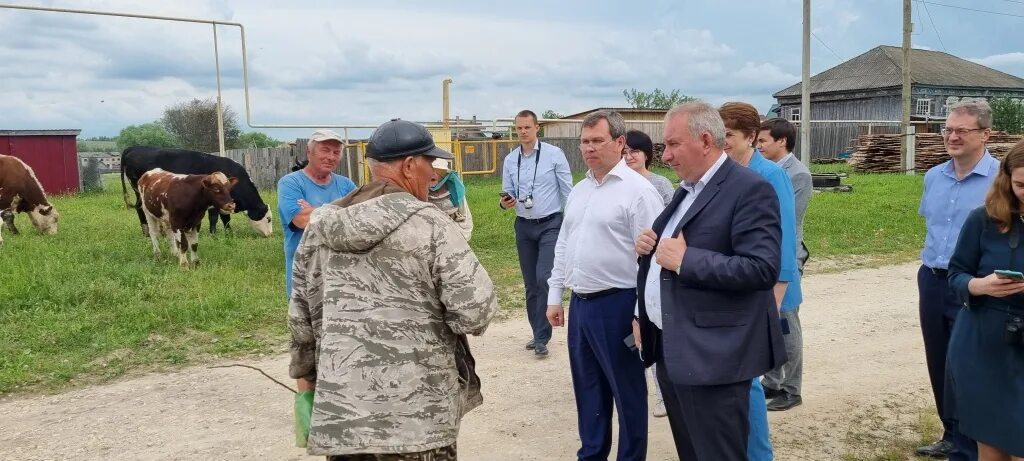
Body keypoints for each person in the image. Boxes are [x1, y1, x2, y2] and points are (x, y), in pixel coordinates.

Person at [287, 118, 499, 460]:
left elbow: (300, 318)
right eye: (430, 163)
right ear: (410, 165)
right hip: (418, 421)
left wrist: (307, 381)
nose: (434, 174)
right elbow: (475, 312)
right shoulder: (431, 225)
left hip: (343, 417)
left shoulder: (319, 229)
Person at [634, 101, 786, 461]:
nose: (665, 156)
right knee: (692, 452)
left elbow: (762, 268)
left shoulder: (749, 188)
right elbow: (668, 255)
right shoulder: (687, 189)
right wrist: (650, 247)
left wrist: (688, 260)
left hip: (714, 356)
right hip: (674, 347)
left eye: (672, 145)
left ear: (705, 140)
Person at [545, 110, 663, 461]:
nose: (589, 148)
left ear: (620, 142)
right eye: (585, 141)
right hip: (581, 304)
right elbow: (564, 244)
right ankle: (592, 454)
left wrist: (642, 314)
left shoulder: (639, 192)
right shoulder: (580, 190)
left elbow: (653, 261)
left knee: (626, 391)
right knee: (588, 389)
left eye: (598, 140)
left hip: (620, 305)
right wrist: (555, 295)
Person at [917, 99, 999, 461]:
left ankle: (971, 445)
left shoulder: (1002, 181)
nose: (952, 136)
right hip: (933, 279)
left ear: (985, 134)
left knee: (969, 363)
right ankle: (950, 433)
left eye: (961, 131)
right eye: (948, 129)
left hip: (976, 285)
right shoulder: (934, 176)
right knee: (940, 359)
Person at [719, 101, 799, 460]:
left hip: (766, 289)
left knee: (749, 377)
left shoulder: (770, 175)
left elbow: (782, 240)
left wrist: (774, 298)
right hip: (735, 286)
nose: (722, 142)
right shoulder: (724, 172)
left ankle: (758, 454)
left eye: (729, 135)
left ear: (751, 137)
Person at [947, 139, 1024, 461]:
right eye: (1021, 185)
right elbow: (956, 274)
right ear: (1007, 180)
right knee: (990, 446)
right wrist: (979, 286)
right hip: (983, 344)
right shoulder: (984, 219)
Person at [501, 109, 573, 357]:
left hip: (550, 224)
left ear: (536, 128)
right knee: (531, 283)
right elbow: (507, 192)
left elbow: (568, 191)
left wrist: (573, 221)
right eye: (518, 128)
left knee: (544, 276)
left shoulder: (554, 155)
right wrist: (505, 202)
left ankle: (543, 336)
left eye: (527, 127)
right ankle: (537, 333)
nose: (522, 132)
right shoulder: (511, 159)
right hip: (524, 225)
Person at [756, 117, 813, 412]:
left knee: (787, 321)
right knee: (770, 321)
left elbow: (786, 220)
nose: (759, 145)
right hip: (766, 255)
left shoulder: (797, 175)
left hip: (786, 256)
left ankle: (792, 388)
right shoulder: (766, 170)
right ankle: (773, 379)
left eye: (764, 140)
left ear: (782, 141)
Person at [277, 129, 357, 297]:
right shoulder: (290, 183)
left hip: (341, 271)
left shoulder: (346, 185)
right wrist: (343, 209)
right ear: (309, 152)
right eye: (325, 150)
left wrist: (315, 209)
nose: (331, 157)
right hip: (304, 271)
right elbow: (301, 220)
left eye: (336, 152)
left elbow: (359, 219)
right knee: (305, 321)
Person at [624, 129, 675, 205]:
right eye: (624, 152)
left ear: (646, 155)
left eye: (634, 151)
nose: (628, 157)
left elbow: (673, 213)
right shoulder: (616, 183)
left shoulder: (661, 184)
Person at [429, 157, 473, 241]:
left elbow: (466, 215)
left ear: (445, 174)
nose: (433, 173)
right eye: (430, 169)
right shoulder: (418, 189)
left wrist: (462, 236)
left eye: (439, 171)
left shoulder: (454, 189)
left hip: (453, 230)